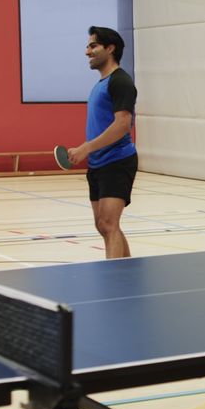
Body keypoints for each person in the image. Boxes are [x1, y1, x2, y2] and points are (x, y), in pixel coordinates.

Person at [67, 26, 138, 259]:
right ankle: (128, 271)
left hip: (117, 161)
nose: (87, 51)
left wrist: (86, 147)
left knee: (108, 223)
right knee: (103, 225)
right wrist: (86, 149)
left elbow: (122, 124)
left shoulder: (121, 82)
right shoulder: (101, 83)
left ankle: (116, 282)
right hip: (98, 163)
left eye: (93, 45)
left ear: (110, 48)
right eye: (88, 46)